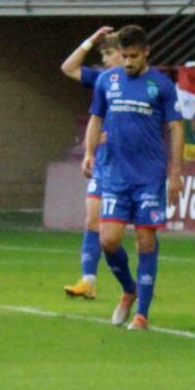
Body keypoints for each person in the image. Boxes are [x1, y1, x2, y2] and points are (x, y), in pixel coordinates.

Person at [81, 24, 183, 332]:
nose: (128, 62)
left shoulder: (161, 86)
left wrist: (175, 174)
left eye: (134, 56)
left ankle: (142, 313)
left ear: (147, 52)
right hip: (115, 176)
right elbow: (96, 118)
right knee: (109, 240)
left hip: (149, 177)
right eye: (124, 56)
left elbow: (176, 129)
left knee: (145, 242)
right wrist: (89, 152)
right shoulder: (106, 80)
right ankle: (129, 288)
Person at [59, 26, 122, 299]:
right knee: (92, 221)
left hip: (130, 165)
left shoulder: (145, 83)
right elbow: (68, 67)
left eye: (110, 53)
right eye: (104, 53)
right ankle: (89, 282)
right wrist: (90, 41)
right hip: (105, 162)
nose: (106, 60)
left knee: (116, 234)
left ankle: (133, 286)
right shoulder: (103, 79)